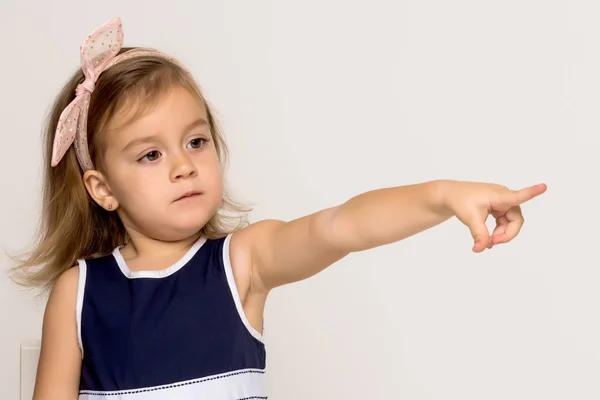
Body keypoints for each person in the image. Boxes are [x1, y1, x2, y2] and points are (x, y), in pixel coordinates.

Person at [11, 17, 546, 400]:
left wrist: (444, 196)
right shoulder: (79, 293)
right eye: (151, 154)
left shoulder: (242, 262)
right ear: (103, 189)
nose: (183, 165)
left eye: (196, 142)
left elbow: (342, 226)